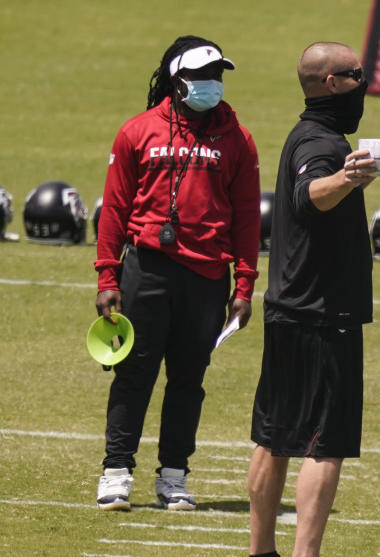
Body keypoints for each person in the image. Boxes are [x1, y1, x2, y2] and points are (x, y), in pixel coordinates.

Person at [236, 41, 377, 557]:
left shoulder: (308, 133)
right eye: (354, 75)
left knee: (274, 437)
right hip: (323, 315)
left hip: (290, 308)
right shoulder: (321, 143)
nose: (363, 82)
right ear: (327, 83)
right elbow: (311, 192)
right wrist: (347, 179)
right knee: (326, 442)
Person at [94, 36, 260, 512]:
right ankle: (116, 472)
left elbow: (247, 217)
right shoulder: (137, 132)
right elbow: (114, 210)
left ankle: (173, 476)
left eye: (219, 76)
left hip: (207, 277)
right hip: (146, 269)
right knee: (132, 374)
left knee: (188, 379)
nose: (214, 85)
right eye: (204, 77)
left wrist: (243, 284)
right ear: (178, 81)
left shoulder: (237, 138)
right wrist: (108, 278)